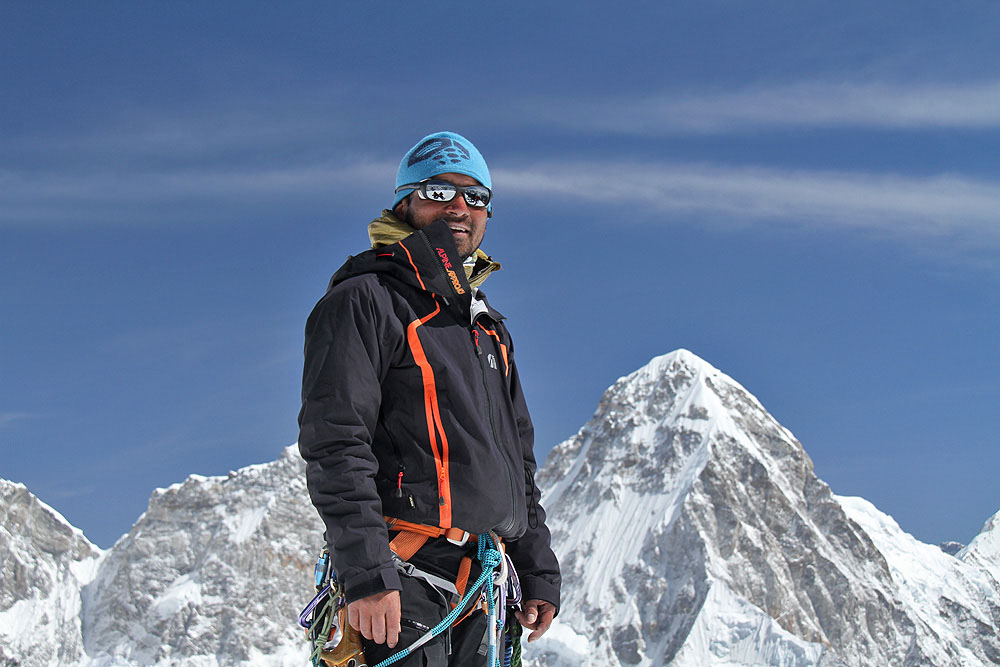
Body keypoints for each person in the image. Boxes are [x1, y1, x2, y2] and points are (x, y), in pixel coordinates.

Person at [298, 131, 561, 665]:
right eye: (440, 192)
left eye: (477, 196)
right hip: (399, 578)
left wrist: (536, 568)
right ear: (405, 202)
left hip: (482, 583)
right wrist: (367, 573)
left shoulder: (486, 328)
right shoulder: (364, 301)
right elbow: (335, 442)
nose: (461, 207)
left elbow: (517, 461)